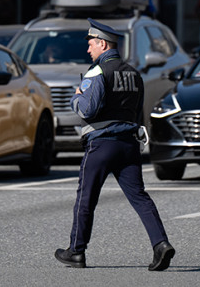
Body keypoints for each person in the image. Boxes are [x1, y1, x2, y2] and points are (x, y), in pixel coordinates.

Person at [54, 18, 174, 271]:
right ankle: (161, 244)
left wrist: (76, 98)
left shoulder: (97, 72)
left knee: (86, 199)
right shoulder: (133, 73)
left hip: (102, 144)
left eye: (91, 44)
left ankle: (76, 251)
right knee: (140, 197)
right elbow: (136, 110)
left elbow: (88, 109)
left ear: (103, 44)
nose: (88, 50)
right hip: (129, 144)